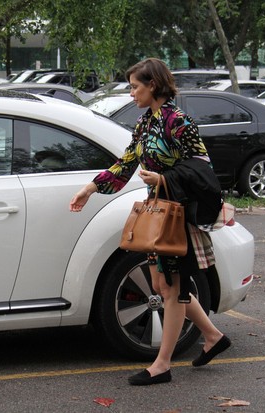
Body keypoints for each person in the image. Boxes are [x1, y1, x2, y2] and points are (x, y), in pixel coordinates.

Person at [69, 58, 231, 386]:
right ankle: (213, 337)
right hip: (158, 212)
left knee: (171, 290)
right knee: (162, 285)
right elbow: (127, 161)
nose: (131, 93)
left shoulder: (178, 121)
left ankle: (162, 364)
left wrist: (162, 177)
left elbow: (202, 167)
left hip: (178, 213)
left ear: (153, 85)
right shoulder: (146, 122)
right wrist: (90, 188)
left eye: (135, 87)